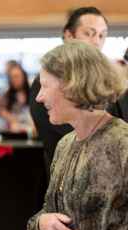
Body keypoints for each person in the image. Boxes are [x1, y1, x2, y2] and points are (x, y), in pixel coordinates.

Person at [27, 40, 127, 230]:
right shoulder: (65, 144)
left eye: (45, 86)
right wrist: (42, 223)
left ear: (72, 85)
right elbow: (49, 209)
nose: (39, 97)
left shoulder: (122, 145)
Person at [29, 6, 108, 171]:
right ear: (69, 36)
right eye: (89, 33)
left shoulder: (106, 82)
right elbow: (63, 137)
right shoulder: (47, 80)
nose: (96, 41)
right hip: (68, 174)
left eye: (102, 35)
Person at [0, 63, 34, 133]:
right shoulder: (6, 94)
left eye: (17, 76)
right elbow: (1, 112)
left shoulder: (32, 92)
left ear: (24, 77)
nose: (14, 80)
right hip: (12, 131)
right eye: (11, 77)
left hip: (29, 130)